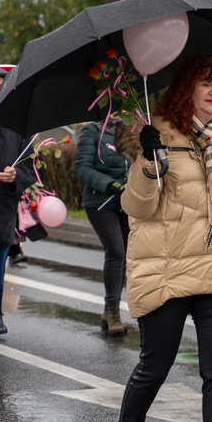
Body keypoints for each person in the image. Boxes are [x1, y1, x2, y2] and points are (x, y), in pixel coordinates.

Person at [114, 54, 212, 422]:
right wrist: (149, 162)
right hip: (167, 269)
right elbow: (136, 207)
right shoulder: (158, 135)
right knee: (154, 367)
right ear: (186, 87)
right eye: (206, 83)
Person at [0, 66, 37, 367]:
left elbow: (31, 166)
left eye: (2, 86)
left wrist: (16, 176)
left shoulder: (16, 125)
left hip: (2, 217)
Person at [74, 118, 130, 336]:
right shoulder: (91, 131)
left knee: (124, 255)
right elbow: (81, 167)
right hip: (100, 201)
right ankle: (113, 312)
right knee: (116, 251)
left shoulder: (130, 131)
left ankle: (111, 312)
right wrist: (109, 184)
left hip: (127, 201)